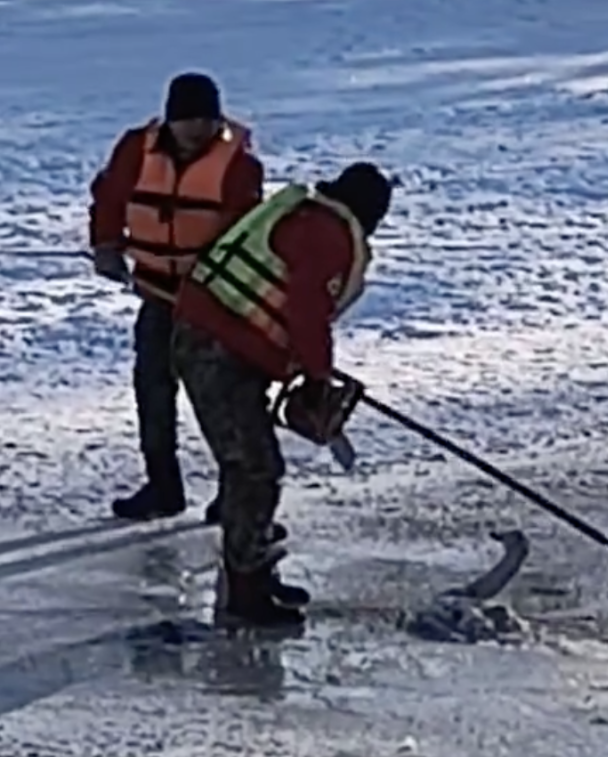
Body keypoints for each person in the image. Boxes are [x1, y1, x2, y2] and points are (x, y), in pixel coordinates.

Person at [171, 162, 394, 625]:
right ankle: (245, 592)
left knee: (248, 465)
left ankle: (250, 571)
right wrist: (316, 377)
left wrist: (303, 368)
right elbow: (307, 310)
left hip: (217, 341)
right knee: (255, 467)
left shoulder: (309, 216)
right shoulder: (328, 234)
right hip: (217, 349)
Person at [88, 72, 264, 524]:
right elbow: (109, 197)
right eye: (190, 120)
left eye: (207, 119)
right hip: (157, 295)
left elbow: (245, 232)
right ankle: (162, 487)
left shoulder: (238, 165)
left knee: (222, 402)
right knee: (152, 390)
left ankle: (235, 494)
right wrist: (106, 245)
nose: (199, 130)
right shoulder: (136, 149)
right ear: (171, 120)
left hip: (213, 306)